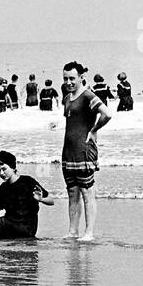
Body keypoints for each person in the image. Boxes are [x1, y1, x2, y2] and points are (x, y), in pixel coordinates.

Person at [61, 61, 110, 241]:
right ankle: (73, 231)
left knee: (87, 193)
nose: (69, 82)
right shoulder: (67, 98)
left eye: (72, 78)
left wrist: (94, 130)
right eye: (66, 78)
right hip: (68, 152)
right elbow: (73, 121)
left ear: (81, 77)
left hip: (84, 151)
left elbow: (107, 113)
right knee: (72, 193)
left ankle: (88, 233)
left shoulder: (88, 95)